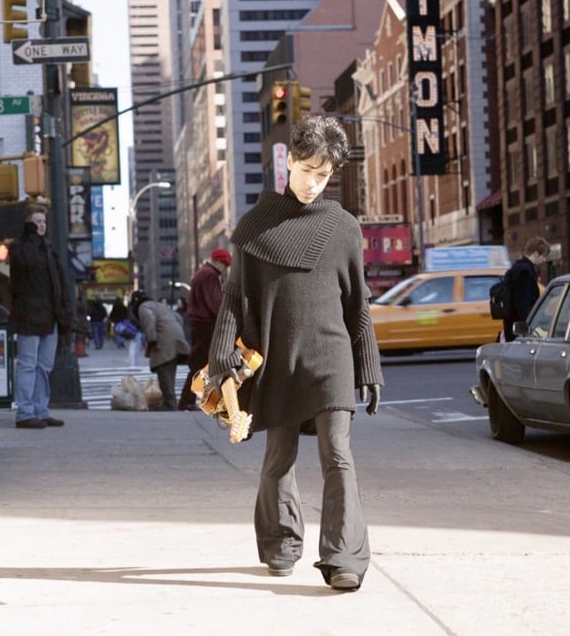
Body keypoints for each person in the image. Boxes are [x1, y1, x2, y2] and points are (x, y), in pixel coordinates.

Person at [206, 115, 384, 592]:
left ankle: (345, 557)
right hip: (276, 358)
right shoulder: (255, 226)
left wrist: (369, 366)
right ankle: (282, 544)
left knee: (338, 454)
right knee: (278, 458)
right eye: (306, 170)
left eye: (323, 175)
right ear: (288, 161)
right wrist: (222, 361)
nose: (312, 183)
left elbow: (358, 301)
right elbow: (234, 299)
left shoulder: (344, 227)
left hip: (331, 358)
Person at [7, 204, 71, 429]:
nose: (41, 226)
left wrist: (64, 311)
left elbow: (59, 282)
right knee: (28, 364)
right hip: (28, 316)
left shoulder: (48, 249)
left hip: (50, 316)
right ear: (27, 224)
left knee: (44, 366)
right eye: (36, 222)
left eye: (43, 222)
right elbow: (26, 263)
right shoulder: (20, 247)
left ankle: (40, 410)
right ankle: (25, 413)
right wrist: (31, 236)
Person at [178, 247, 233, 411]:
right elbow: (215, 302)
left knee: (200, 364)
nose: (225, 268)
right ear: (217, 261)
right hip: (205, 324)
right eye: (224, 264)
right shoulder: (210, 275)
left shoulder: (203, 273)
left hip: (200, 323)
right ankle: (187, 401)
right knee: (201, 364)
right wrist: (225, 319)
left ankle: (190, 400)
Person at [129, 289, 190, 411]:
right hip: (177, 336)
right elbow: (178, 318)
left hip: (163, 338)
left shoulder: (143, 307)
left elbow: (149, 320)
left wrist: (152, 339)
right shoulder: (159, 306)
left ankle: (170, 403)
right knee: (170, 370)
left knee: (163, 370)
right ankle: (171, 401)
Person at [502, 236, 550, 341]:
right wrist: (530, 328)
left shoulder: (518, 267)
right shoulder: (525, 271)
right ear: (536, 253)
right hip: (519, 330)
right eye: (544, 256)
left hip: (513, 326)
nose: (545, 259)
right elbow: (523, 304)